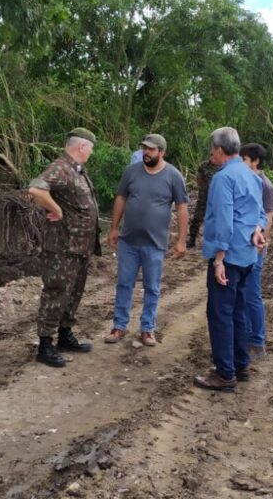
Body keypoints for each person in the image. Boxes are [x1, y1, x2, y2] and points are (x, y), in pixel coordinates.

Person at [193, 127, 267, 392]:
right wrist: (258, 230)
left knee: (220, 313)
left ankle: (225, 374)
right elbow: (260, 213)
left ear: (220, 150)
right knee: (238, 311)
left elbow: (224, 220)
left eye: (212, 149)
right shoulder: (252, 176)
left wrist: (219, 259)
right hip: (248, 255)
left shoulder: (223, 178)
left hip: (230, 255)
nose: (211, 153)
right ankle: (240, 364)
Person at [105, 134, 189, 346]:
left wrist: (181, 240)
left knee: (152, 286)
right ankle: (119, 326)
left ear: (162, 152)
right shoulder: (131, 172)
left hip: (155, 243)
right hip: (128, 240)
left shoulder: (173, 176)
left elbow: (182, 208)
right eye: (145, 148)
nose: (146, 153)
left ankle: (147, 329)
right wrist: (114, 228)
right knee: (124, 284)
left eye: (151, 150)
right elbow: (121, 198)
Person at [27, 128, 101, 368]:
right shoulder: (61, 167)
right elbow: (36, 189)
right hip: (62, 248)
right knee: (56, 292)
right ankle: (45, 344)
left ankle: (65, 335)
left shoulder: (77, 171)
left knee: (74, 293)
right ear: (82, 147)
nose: (91, 153)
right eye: (90, 148)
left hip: (79, 248)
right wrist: (55, 209)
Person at [240, 143, 273, 361]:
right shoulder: (246, 180)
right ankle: (246, 337)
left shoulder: (265, 185)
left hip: (255, 247)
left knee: (252, 295)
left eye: (244, 159)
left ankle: (257, 342)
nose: (240, 163)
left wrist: (259, 241)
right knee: (243, 294)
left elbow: (268, 219)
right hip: (244, 247)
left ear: (255, 162)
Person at [187, 158, 220, 248]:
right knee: (197, 217)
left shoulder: (222, 166)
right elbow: (199, 180)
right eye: (211, 155)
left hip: (217, 198)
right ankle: (192, 238)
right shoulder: (204, 165)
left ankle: (216, 241)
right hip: (204, 197)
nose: (213, 157)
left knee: (217, 219)